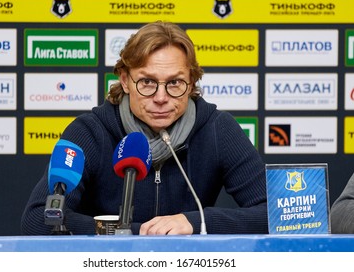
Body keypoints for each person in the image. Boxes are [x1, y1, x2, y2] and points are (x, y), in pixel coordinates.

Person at [21, 21, 268, 235]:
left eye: (175, 83)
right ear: (125, 80)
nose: (161, 97)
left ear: (192, 82)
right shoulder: (90, 132)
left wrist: (196, 222)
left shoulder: (217, 130)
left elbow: (277, 215)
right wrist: (136, 233)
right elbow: (40, 219)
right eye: (147, 82)